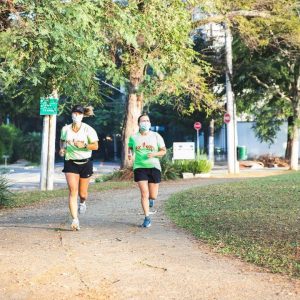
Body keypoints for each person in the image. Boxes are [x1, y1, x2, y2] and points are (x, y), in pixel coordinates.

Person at [59, 104, 99, 231]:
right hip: (70, 162)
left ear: (83, 115)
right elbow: (62, 141)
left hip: (85, 163)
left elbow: (95, 146)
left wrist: (84, 145)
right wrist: (62, 149)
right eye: (75, 113)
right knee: (72, 191)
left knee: (83, 194)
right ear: (71, 114)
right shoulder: (65, 129)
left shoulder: (89, 130)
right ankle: (75, 220)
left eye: (79, 113)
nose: (76, 115)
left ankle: (82, 202)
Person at [128, 113, 166, 228]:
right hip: (139, 167)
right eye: (143, 121)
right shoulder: (133, 137)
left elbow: (163, 151)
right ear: (139, 124)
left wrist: (154, 154)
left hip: (154, 167)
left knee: (153, 195)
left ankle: (151, 199)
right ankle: (147, 217)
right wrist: (130, 153)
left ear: (150, 123)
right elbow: (130, 146)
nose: (145, 122)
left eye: (147, 121)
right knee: (144, 193)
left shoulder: (156, 136)